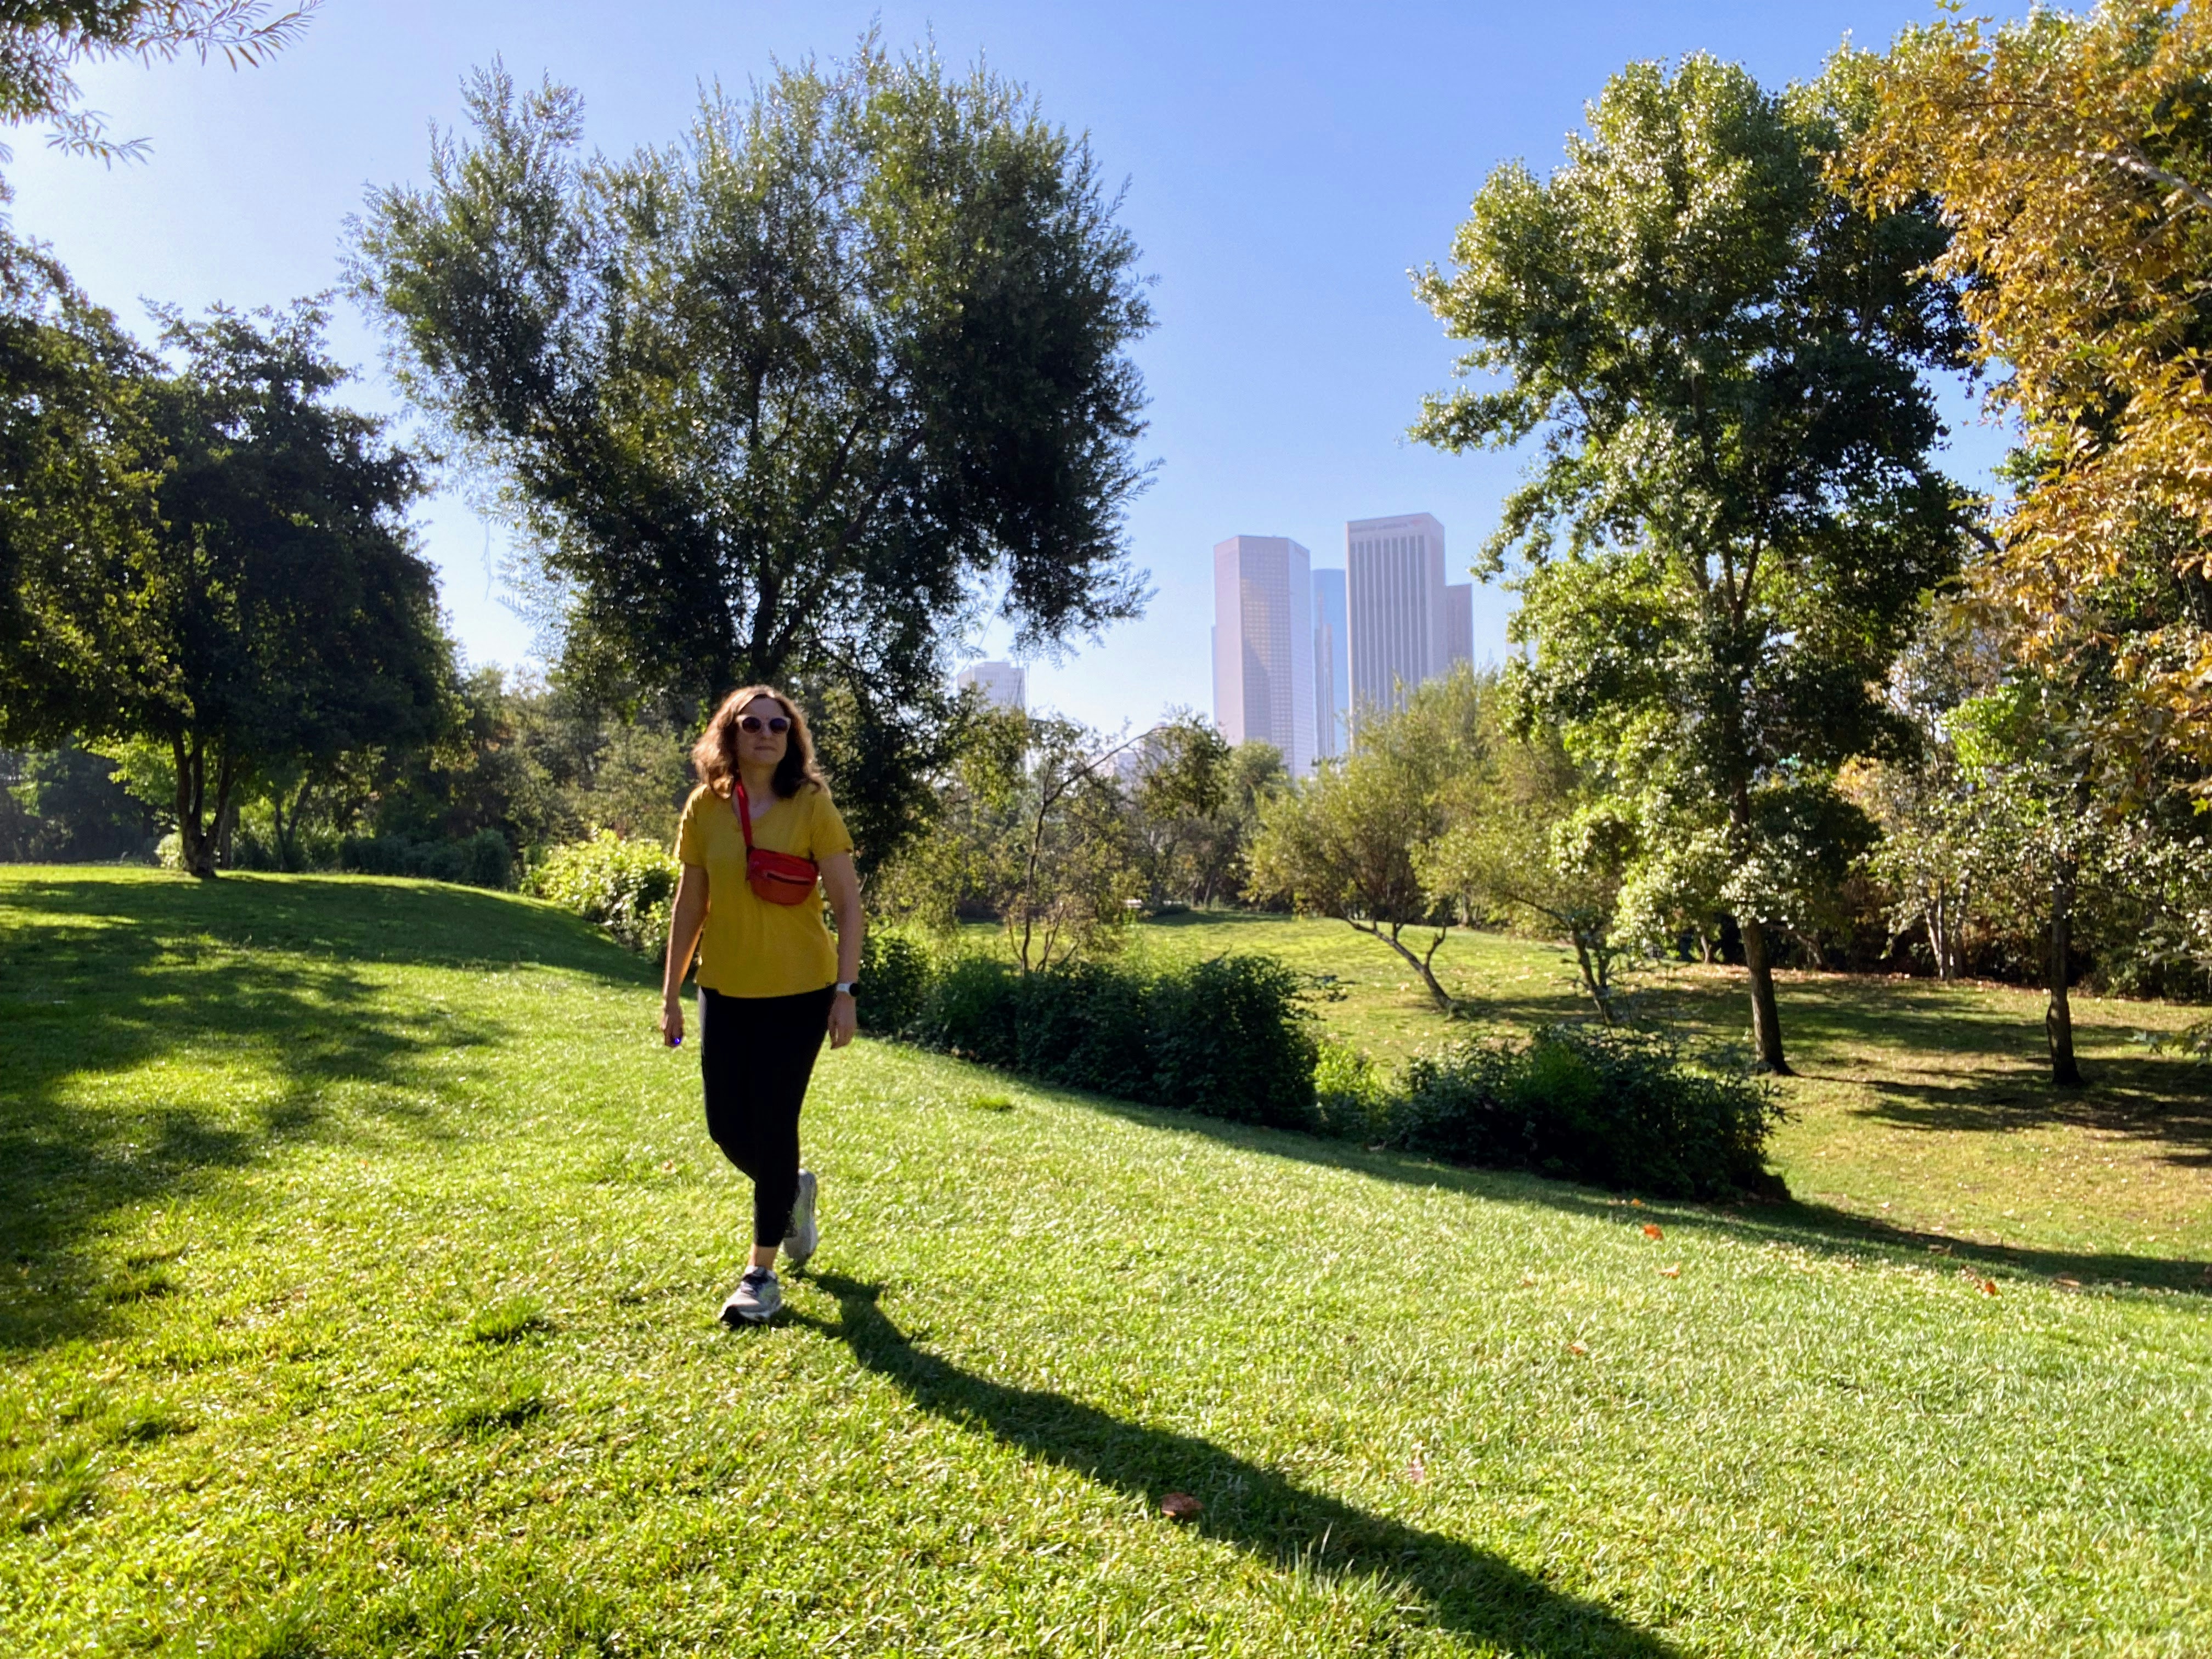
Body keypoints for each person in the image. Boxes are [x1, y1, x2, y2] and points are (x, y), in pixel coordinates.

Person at [661, 686, 862, 1325]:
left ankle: (761, 1274)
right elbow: (690, 905)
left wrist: (845, 993)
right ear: (731, 733)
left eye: (780, 724)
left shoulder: (811, 804)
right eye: (752, 724)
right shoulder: (704, 807)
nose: (767, 733)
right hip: (724, 987)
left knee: (775, 1122)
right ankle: (791, 1193)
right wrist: (671, 994)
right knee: (726, 1125)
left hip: (800, 991)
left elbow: (850, 907)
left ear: (792, 737)